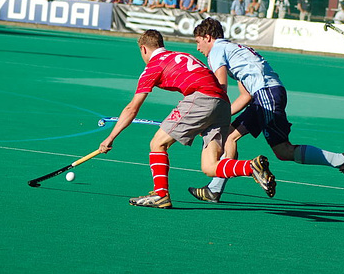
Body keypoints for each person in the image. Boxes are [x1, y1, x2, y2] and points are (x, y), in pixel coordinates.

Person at [187, 18, 344, 203]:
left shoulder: (216, 50)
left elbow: (220, 88)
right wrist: (221, 119)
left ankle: (343, 160)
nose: (198, 48)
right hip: (266, 94)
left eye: (198, 42)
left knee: (276, 148)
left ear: (207, 37)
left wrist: (209, 118)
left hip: (266, 94)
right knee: (240, 138)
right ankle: (214, 190)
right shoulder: (233, 49)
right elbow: (245, 96)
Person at [98, 30, 276, 208]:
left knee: (158, 143)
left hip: (201, 98)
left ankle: (161, 195)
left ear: (143, 49)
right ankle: (250, 166)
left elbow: (132, 108)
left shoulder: (153, 66)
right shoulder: (180, 55)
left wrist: (110, 138)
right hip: (222, 103)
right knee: (210, 166)